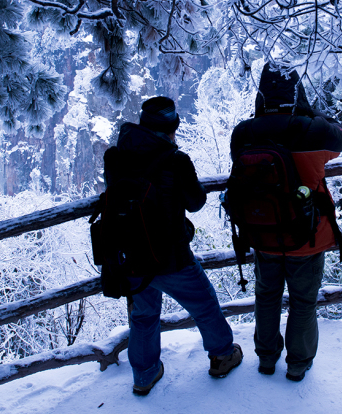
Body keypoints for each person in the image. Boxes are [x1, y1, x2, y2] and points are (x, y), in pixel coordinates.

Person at [103, 96, 242, 396]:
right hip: (171, 258)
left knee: (143, 315)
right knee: (204, 303)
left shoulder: (115, 158)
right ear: (171, 127)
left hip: (132, 257)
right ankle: (222, 355)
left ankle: (144, 374)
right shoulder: (175, 160)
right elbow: (196, 201)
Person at [229, 63, 342, 381]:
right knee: (303, 301)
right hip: (306, 235)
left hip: (263, 233)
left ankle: (267, 359)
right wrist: (308, 110)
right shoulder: (313, 130)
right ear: (297, 91)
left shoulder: (244, 133)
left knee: (266, 296)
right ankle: (297, 364)